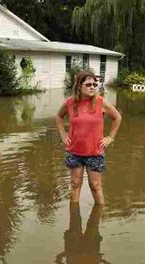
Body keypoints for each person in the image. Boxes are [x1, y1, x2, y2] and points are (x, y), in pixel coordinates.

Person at [55, 71, 122, 204]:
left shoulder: (101, 102)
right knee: (75, 184)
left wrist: (110, 137)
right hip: (74, 151)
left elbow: (117, 117)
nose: (92, 87)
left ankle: (98, 216)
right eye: (88, 84)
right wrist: (63, 135)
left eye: (94, 84)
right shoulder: (70, 102)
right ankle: (74, 219)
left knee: (95, 186)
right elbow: (58, 116)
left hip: (95, 152)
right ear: (79, 86)